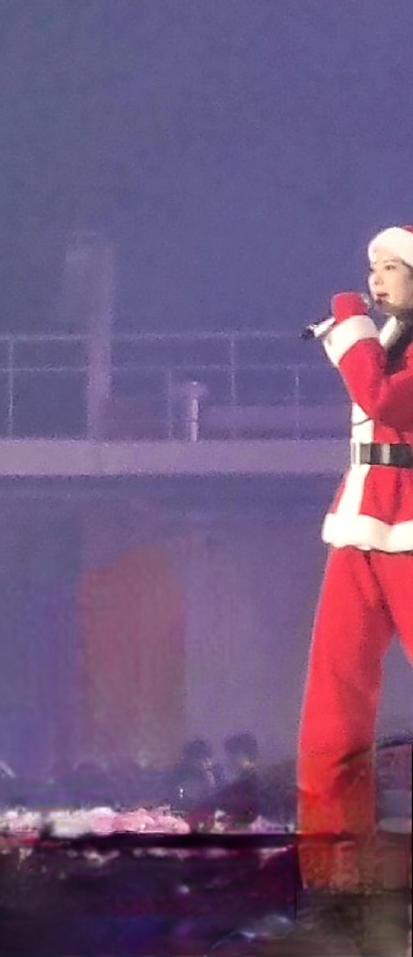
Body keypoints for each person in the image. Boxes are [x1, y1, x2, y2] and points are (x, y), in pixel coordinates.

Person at [297, 227, 413, 884]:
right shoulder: (385, 336)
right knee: (334, 696)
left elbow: (384, 399)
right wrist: (360, 333)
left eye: (392, 267)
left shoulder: (376, 339)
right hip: (359, 517)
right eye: (374, 267)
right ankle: (330, 857)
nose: (377, 279)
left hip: (409, 521)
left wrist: (348, 322)